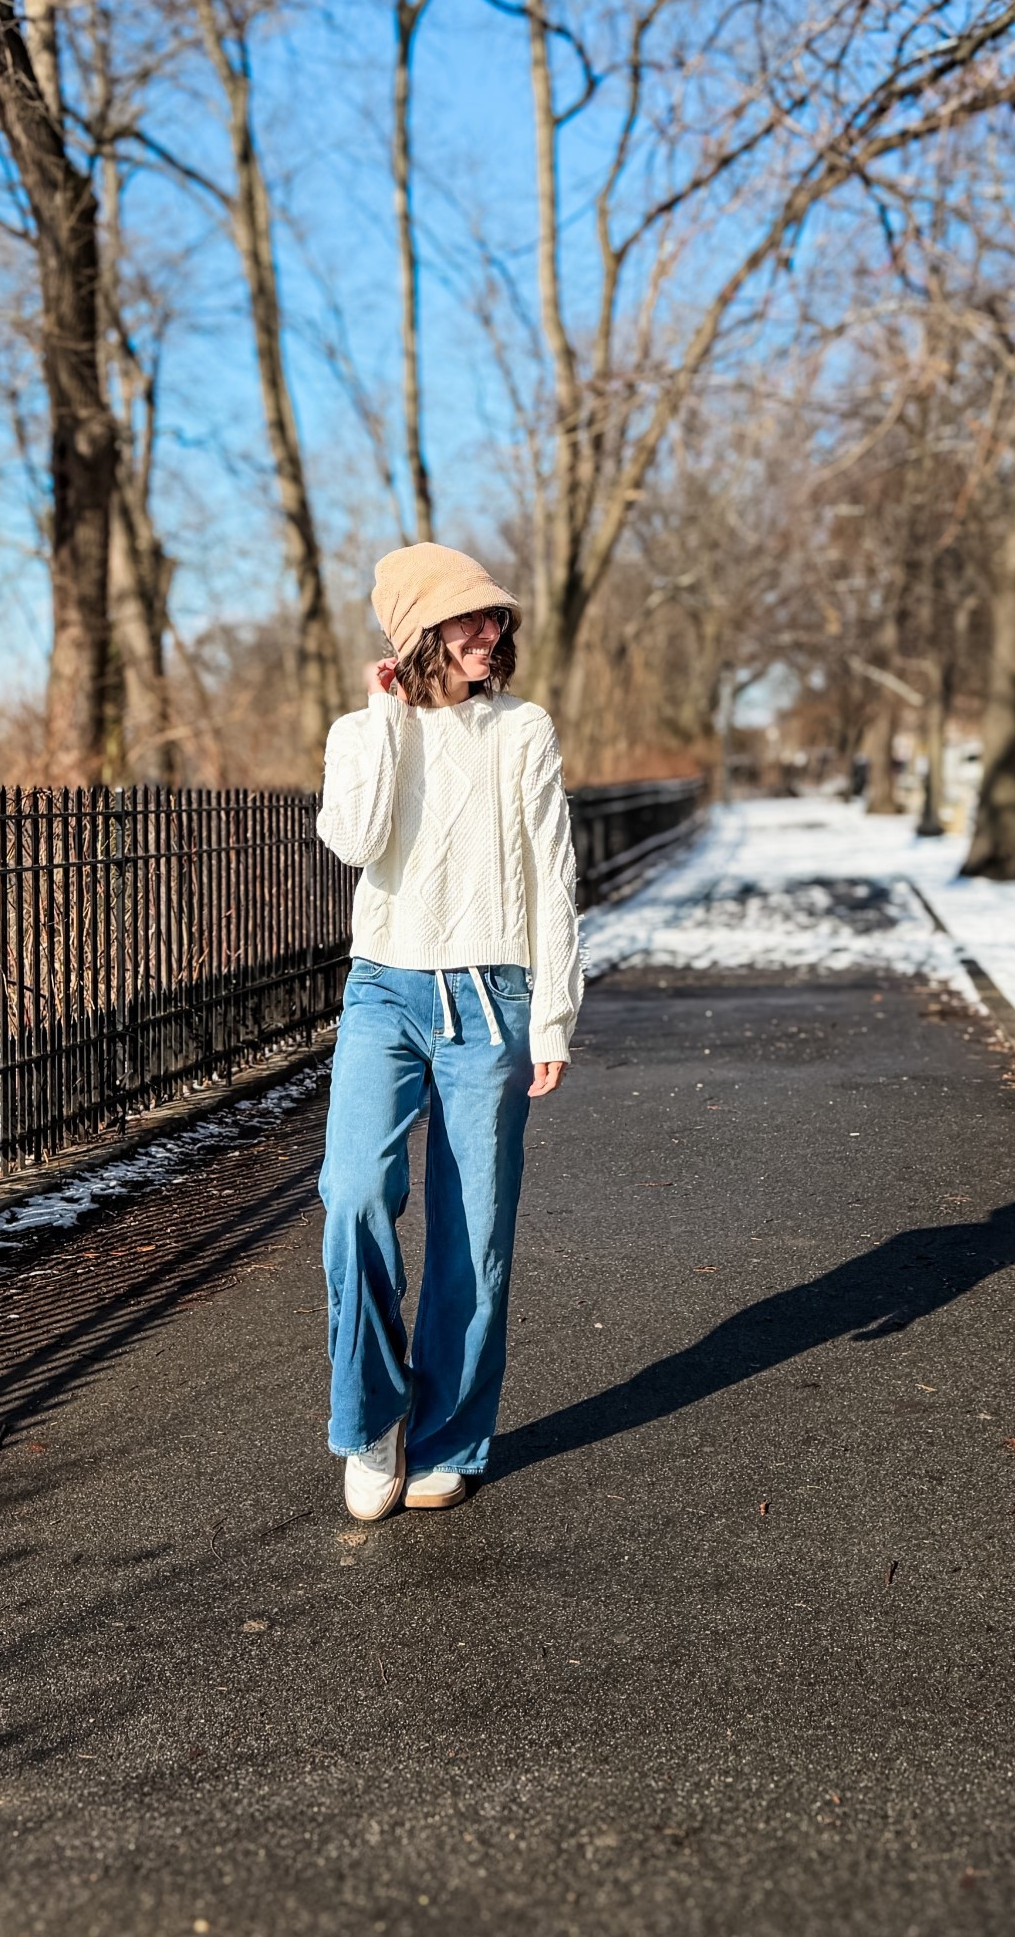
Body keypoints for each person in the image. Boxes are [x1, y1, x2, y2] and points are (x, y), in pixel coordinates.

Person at [314, 541, 583, 1520]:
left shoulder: (523, 732)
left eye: (496, 616)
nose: (491, 631)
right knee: (352, 1194)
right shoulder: (360, 732)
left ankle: (449, 1436)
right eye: (468, 616)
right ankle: (372, 1418)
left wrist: (552, 1010)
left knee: (475, 1231)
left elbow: (552, 875)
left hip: (494, 996)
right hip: (384, 990)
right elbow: (356, 839)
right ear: (416, 630)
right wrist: (390, 715)